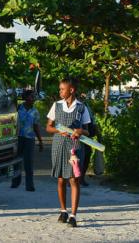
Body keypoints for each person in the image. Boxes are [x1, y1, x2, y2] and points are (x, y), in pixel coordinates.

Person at [46, 78, 91, 228]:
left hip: (75, 146)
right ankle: (63, 210)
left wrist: (80, 131)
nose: (60, 92)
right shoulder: (56, 105)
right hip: (59, 144)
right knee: (60, 179)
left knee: (73, 180)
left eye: (62, 89)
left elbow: (88, 131)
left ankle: (73, 215)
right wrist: (59, 131)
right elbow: (48, 127)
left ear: (71, 90)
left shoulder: (81, 107)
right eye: (60, 89)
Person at [11, 89, 43, 191]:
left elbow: (36, 126)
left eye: (34, 97)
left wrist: (40, 141)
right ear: (25, 98)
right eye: (31, 97)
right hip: (18, 138)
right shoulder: (18, 108)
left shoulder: (35, 111)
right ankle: (15, 182)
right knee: (16, 161)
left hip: (29, 139)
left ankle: (29, 185)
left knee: (29, 163)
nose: (33, 99)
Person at [78, 93, 98, 186]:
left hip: (86, 135)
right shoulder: (76, 106)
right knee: (77, 157)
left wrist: (96, 131)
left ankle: (81, 177)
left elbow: (92, 120)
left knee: (87, 155)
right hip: (77, 135)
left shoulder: (86, 105)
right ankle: (75, 178)